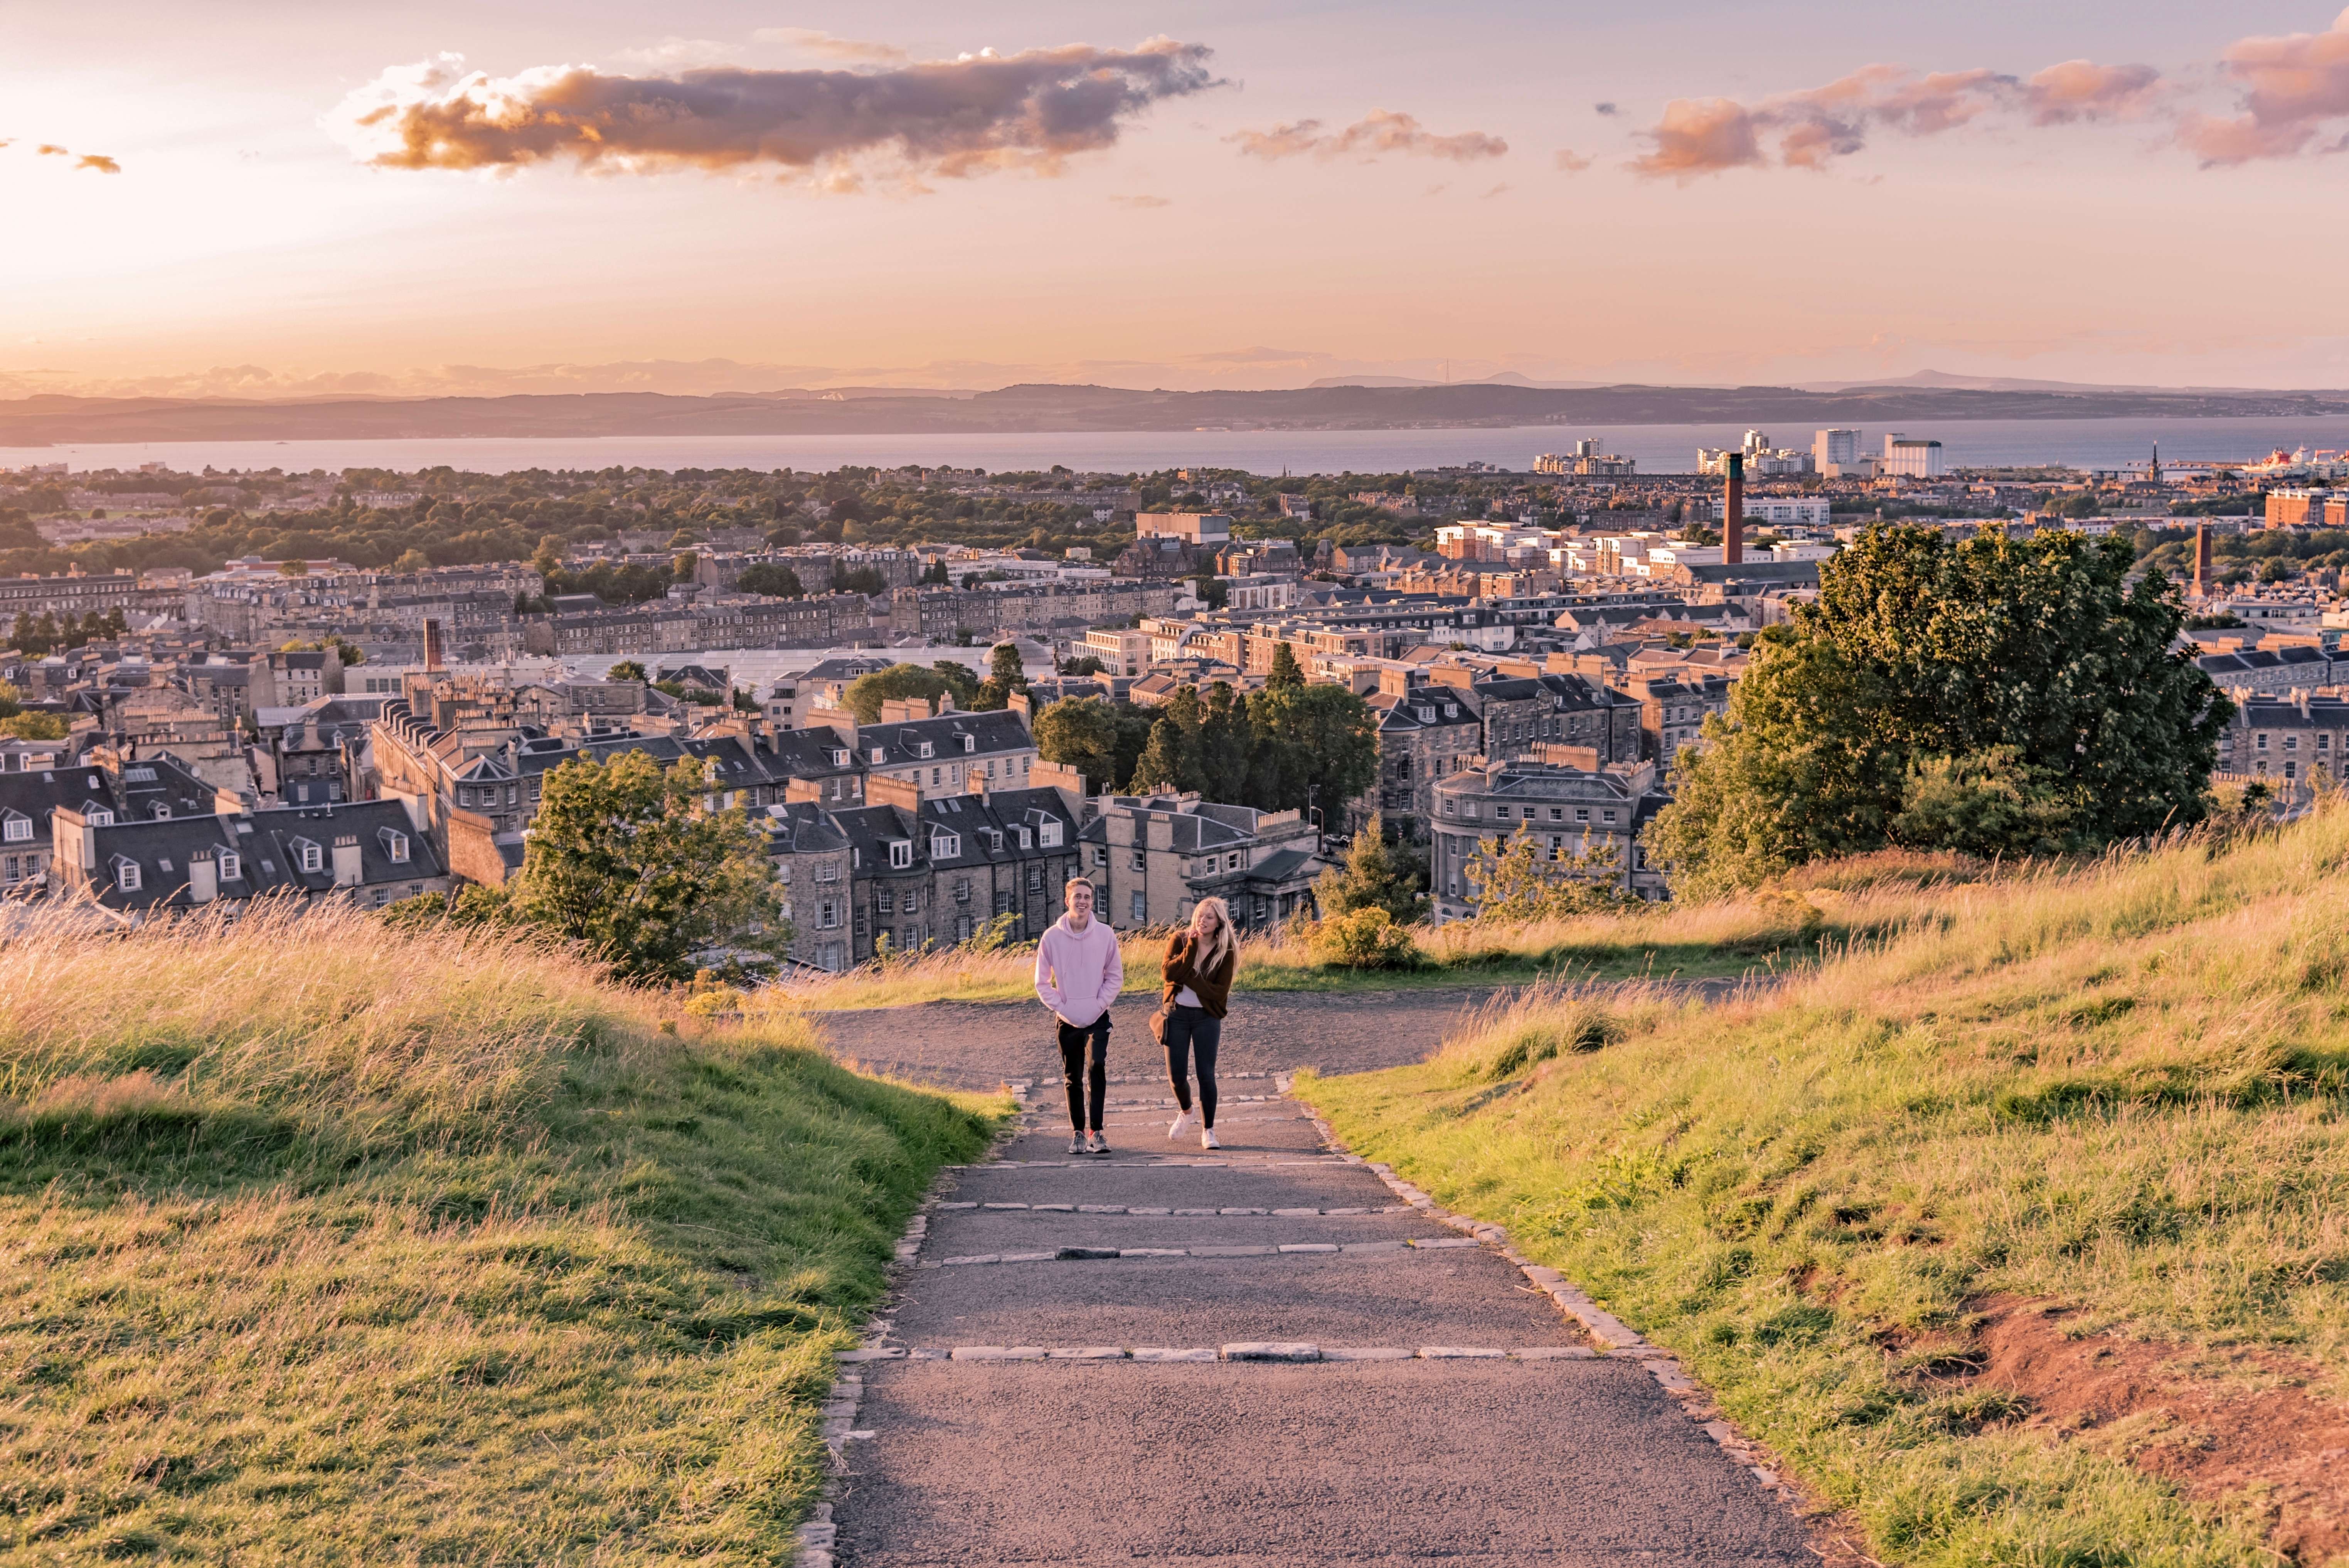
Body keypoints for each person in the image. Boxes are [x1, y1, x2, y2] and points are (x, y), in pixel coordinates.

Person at [1034, 877, 1123, 1156]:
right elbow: (1041, 983)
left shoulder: (1106, 935)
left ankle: (1097, 1132)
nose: (1082, 901)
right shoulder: (1051, 937)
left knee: (1096, 1067)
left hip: (1098, 1015)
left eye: (1087, 897)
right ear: (1067, 901)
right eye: (1077, 897)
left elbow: (1115, 976)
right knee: (1072, 1075)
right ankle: (1078, 1134)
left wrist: (1099, 1004)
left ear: (1091, 901)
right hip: (1067, 1016)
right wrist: (1063, 1007)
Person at [1160, 896, 1238, 1150]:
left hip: (1207, 1017)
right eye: (1199, 915)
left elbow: (1218, 992)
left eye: (1209, 917)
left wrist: (1189, 975)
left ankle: (1209, 1130)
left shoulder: (1225, 949)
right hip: (1177, 1015)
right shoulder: (1180, 940)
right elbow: (1168, 973)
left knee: (1206, 1075)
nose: (1202, 921)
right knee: (1176, 1077)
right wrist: (1191, 948)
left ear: (1218, 923)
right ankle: (1186, 1111)